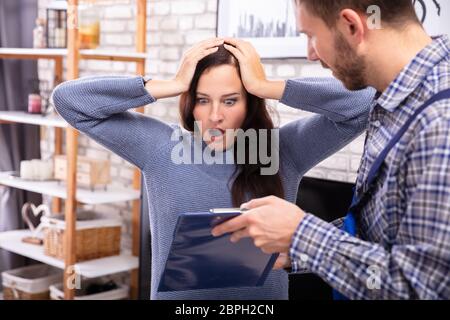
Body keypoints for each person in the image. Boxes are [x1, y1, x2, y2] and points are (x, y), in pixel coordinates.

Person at [52, 39, 374, 299]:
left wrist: (267, 85)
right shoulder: (161, 147)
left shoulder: (281, 150)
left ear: (251, 102)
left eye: (231, 100)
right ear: (190, 102)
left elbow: (364, 102)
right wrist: (171, 83)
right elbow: (70, 101)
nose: (215, 116)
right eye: (203, 100)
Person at [212, 0, 450, 299]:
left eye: (311, 36)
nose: (311, 54)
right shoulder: (394, 100)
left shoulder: (441, 120)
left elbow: (423, 289)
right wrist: (293, 247)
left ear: (352, 26)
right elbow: (379, 237)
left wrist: (302, 235)